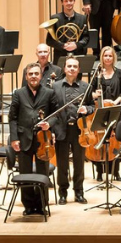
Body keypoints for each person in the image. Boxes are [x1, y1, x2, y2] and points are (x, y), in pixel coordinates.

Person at [8, 62, 59, 216]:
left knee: (43, 173)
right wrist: (14, 138)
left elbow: (56, 114)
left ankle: (42, 204)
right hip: (24, 138)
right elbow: (12, 118)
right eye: (30, 74)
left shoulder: (49, 93)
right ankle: (28, 206)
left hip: (43, 139)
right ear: (26, 76)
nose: (33, 76)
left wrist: (48, 124)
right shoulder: (19, 93)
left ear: (41, 76)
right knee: (25, 173)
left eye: (36, 74)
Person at [51, 57, 94, 205]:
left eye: (75, 66)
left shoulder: (85, 87)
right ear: (64, 69)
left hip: (79, 130)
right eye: (69, 66)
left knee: (79, 163)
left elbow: (92, 106)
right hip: (61, 129)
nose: (72, 69)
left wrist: (86, 109)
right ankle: (62, 192)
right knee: (62, 164)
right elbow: (51, 109)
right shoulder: (55, 86)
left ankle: (79, 192)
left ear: (79, 70)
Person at [89, 46, 121, 181]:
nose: (108, 58)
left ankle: (115, 171)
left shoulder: (119, 72)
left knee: (115, 141)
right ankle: (100, 171)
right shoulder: (96, 73)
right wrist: (96, 96)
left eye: (110, 56)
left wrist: (116, 101)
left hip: (115, 110)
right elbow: (90, 92)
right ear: (102, 57)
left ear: (113, 57)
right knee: (100, 140)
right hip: (100, 111)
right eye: (105, 56)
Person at [45, 0, 90, 65]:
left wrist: (76, 45)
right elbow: (49, 41)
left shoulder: (82, 18)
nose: (69, 3)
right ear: (62, 3)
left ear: (74, 1)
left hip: (77, 56)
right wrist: (63, 45)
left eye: (71, 0)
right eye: (66, 1)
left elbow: (86, 38)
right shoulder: (55, 18)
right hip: (60, 56)